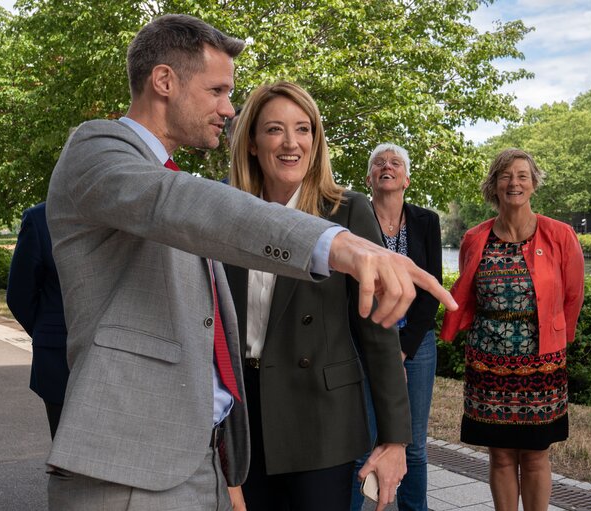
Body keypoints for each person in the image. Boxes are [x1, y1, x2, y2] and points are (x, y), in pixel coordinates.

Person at [44, 14, 454, 511]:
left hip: (215, 450)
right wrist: (339, 245)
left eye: (303, 129)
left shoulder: (216, 201)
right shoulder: (100, 150)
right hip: (137, 461)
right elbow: (183, 204)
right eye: (217, 90)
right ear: (165, 81)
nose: (227, 107)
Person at [222, 82, 410, 511]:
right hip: (241, 411)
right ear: (252, 142)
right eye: (275, 130)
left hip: (319, 414)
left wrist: (395, 438)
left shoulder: (346, 210)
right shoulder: (226, 211)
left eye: (303, 129)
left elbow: (378, 331)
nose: (291, 143)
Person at [440, 148, 584, 511]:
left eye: (522, 175)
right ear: (494, 185)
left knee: (535, 456)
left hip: (542, 364)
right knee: (501, 455)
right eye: (505, 175)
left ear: (534, 183)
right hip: (488, 363)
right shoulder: (475, 237)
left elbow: (573, 296)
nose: (514, 182)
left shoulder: (561, 235)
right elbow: (470, 292)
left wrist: (556, 343)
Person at [350, 143, 442, 511]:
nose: (386, 166)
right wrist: (384, 350)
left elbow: (430, 290)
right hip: (365, 341)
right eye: (379, 163)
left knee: (414, 445)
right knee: (362, 441)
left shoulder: (426, 221)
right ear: (369, 177)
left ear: (406, 178)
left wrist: (402, 348)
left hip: (416, 343)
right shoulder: (354, 219)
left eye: (395, 162)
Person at [6, 202, 69, 439]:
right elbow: (19, 295)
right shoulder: (39, 218)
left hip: (115, 357)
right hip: (58, 357)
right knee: (65, 452)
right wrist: (46, 332)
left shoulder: (117, 213)